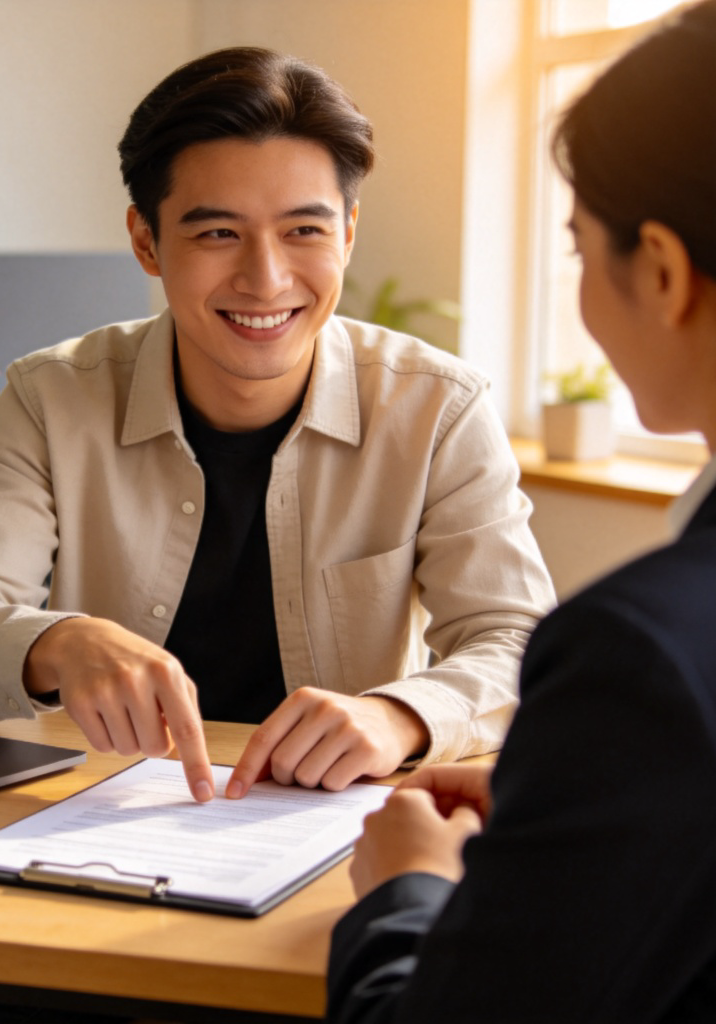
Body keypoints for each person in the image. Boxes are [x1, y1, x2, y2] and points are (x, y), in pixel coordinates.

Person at [0, 46, 553, 806]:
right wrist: (55, 644)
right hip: (102, 817)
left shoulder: (437, 408)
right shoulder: (52, 398)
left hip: (340, 828)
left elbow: (522, 643)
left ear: (349, 232)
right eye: (217, 234)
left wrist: (399, 714)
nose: (266, 280)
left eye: (305, 230)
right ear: (146, 242)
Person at [326, 3, 716, 1021]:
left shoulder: (645, 653)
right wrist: (579, 802)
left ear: (665, 273)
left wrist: (410, 887)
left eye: (579, 248)